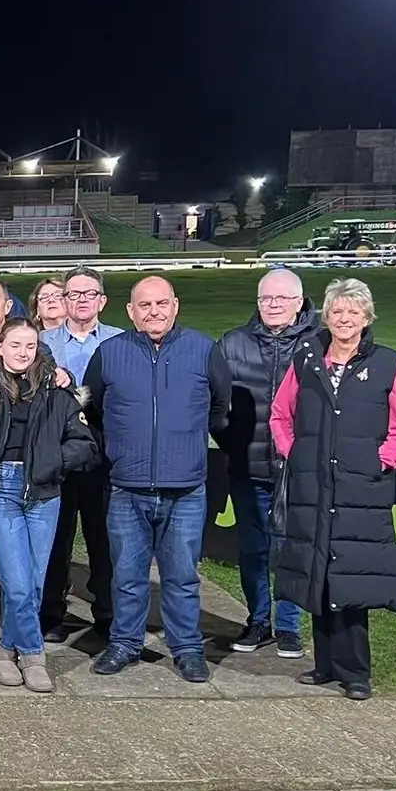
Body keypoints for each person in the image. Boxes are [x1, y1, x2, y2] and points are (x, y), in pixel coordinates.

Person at [270, 278, 396, 701]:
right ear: (326, 316)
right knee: (317, 575)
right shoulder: (306, 358)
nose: (344, 318)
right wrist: (295, 452)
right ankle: (325, 666)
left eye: (353, 311)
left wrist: (380, 461)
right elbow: (281, 414)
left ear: (367, 318)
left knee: (352, 579)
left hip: (360, 489)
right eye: (337, 311)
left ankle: (356, 673)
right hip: (313, 486)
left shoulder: (387, 364)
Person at [82, 276, 232, 683]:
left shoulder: (203, 349)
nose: (154, 312)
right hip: (127, 487)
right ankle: (125, 644)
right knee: (127, 575)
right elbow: (94, 408)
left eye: (161, 303)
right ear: (130, 311)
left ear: (175, 306)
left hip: (185, 488)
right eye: (144, 305)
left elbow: (219, 406)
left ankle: (187, 649)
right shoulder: (110, 353)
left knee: (181, 576)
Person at [0, 318, 98, 693]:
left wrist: (52, 462)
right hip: (2, 489)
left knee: (33, 583)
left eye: (30, 346)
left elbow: (85, 443)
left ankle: (6, 648)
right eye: (15, 345)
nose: (23, 353)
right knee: (16, 585)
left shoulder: (55, 390)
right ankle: (33, 654)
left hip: (45, 493)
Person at [217, 267, 318, 658]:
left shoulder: (320, 344)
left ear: (299, 302)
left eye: (281, 298)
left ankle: (289, 626)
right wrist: (232, 444)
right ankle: (259, 620)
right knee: (253, 549)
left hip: (299, 471)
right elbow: (215, 405)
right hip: (249, 467)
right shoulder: (233, 343)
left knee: (292, 550)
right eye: (265, 298)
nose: (272, 305)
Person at [38, 266, 124, 643]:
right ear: (64, 300)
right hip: (58, 450)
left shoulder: (121, 341)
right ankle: (51, 612)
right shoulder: (42, 342)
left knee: (102, 534)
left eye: (89, 294)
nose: (82, 300)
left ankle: (106, 611)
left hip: (104, 451)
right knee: (56, 536)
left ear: (101, 301)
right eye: (74, 294)